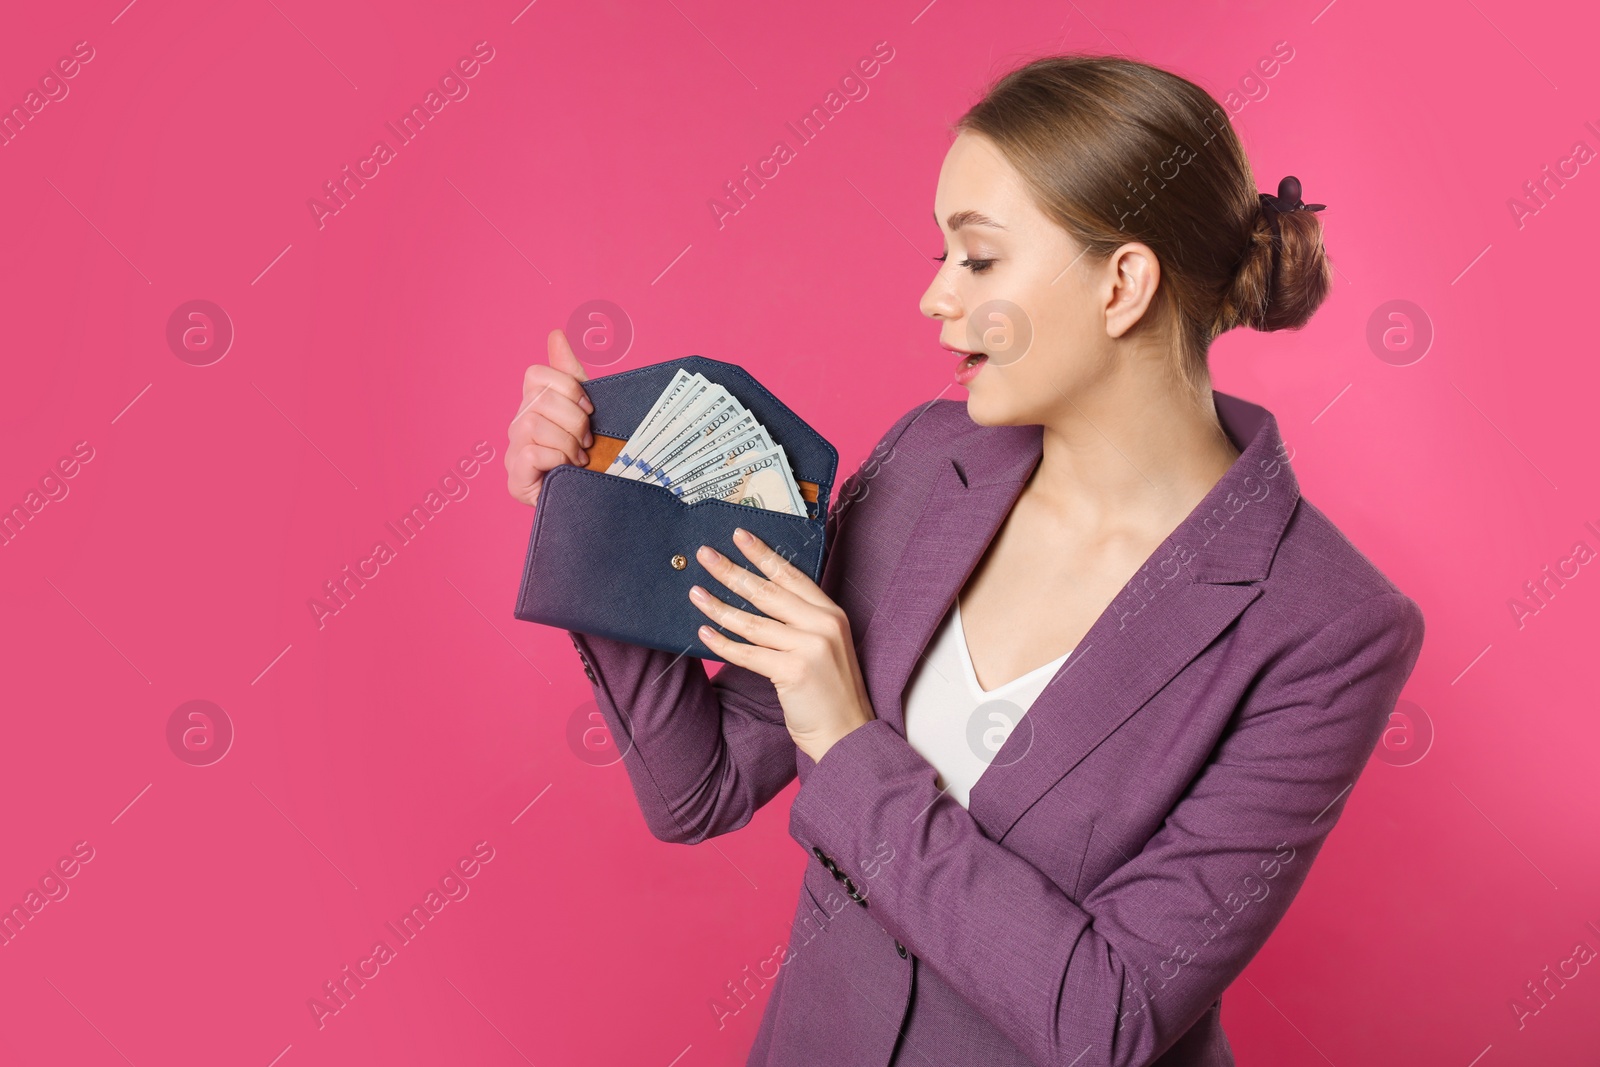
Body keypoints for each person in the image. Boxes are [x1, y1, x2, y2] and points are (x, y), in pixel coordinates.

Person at [504, 54, 1424, 1067]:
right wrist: (599, 512)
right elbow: (701, 786)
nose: (933, 299)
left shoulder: (1326, 626)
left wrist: (847, 739)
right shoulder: (922, 464)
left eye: (977, 259)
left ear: (1122, 282)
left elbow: (1104, 1019)